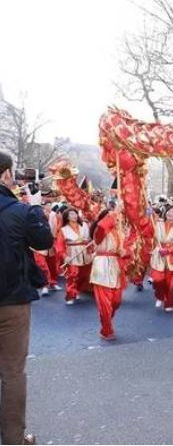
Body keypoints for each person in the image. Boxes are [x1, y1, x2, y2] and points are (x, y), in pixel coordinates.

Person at [0, 150, 53, 445]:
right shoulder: (21, 211)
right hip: (11, 302)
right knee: (12, 372)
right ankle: (13, 439)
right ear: (6, 174)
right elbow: (44, 241)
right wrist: (35, 209)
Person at [89, 209, 129, 341]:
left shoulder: (120, 233)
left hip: (116, 267)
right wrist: (112, 214)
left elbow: (127, 248)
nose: (115, 219)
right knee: (105, 303)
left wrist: (126, 252)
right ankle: (107, 330)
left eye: (116, 217)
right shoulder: (98, 231)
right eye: (111, 217)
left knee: (116, 301)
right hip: (101, 266)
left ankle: (105, 321)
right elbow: (102, 227)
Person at [149, 205, 173, 312]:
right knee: (157, 281)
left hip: (171, 258)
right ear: (166, 212)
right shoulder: (158, 224)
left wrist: (168, 250)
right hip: (158, 256)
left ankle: (169, 303)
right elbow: (149, 230)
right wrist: (147, 211)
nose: (170, 213)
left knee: (170, 285)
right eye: (169, 211)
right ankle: (159, 296)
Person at [55, 208, 93, 305]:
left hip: (85, 252)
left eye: (75, 213)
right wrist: (64, 256)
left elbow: (89, 239)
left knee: (84, 275)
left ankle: (77, 290)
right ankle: (70, 295)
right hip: (72, 253)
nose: (74, 215)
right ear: (67, 217)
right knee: (73, 274)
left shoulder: (84, 225)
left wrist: (91, 246)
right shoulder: (63, 230)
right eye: (71, 214)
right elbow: (59, 245)